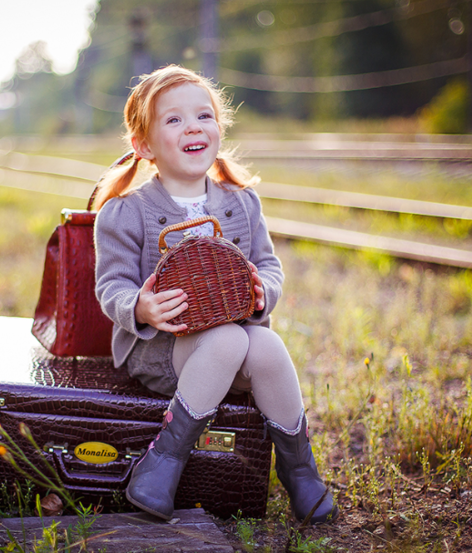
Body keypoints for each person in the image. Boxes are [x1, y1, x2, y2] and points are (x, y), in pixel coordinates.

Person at [93, 64, 338, 525]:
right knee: (228, 339)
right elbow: (111, 286)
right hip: (163, 352)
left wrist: (265, 291)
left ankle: (299, 468)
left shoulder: (242, 202)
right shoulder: (125, 212)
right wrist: (140, 307)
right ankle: (165, 458)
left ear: (218, 130)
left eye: (204, 116)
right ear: (143, 145)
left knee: (263, 342)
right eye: (174, 120)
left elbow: (268, 265)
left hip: (237, 339)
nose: (193, 127)